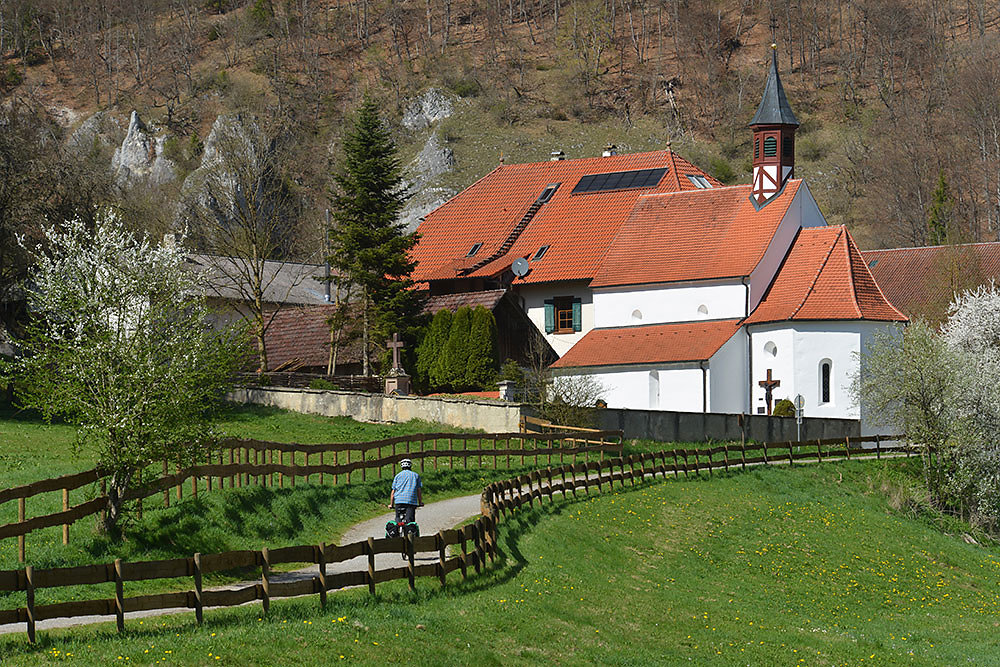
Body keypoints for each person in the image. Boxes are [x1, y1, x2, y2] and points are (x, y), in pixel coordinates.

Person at [389, 458, 422, 526]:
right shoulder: (416, 476)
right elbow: (418, 490)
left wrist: (391, 504)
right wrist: (420, 502)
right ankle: (410, 534)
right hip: (411, 501)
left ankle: (397, 531)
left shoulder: (397, 476)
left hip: (399, 501)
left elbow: (393, 492)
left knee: (397, 517)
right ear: (410, 466)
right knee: (409, 521)